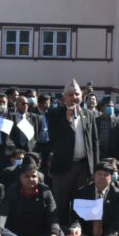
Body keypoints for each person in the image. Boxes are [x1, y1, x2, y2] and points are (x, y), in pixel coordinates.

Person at [47, 79, 100, 225]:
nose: (74, 97)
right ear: (64, 98)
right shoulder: (55, 113)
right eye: (70, 95)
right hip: (64, 167)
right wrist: (67, 120)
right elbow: (53, 137)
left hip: (84, 166)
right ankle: (61, 231)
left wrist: (95, 167)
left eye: (77, 94)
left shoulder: (89, 113)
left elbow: (94, 141)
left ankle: (81, 232)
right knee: (61, 204)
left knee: (83, 203)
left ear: (82, 97)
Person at [0, 156, 61, 236]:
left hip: (39, 234)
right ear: (20, 178)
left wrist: (54, 233)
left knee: (60, 233)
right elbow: (3, 212)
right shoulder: (12, 190)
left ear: (38, 177)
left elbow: (52, 215)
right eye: (27, 176)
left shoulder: (46, 191)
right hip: (17, 234)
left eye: (34, 176)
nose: (31, 179)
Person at [67, 161, 119, 236]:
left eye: (106, 174)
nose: (102, 177)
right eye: (99, 174)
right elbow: (75, 217)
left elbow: (117, 223)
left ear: (111, 178)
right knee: (68, 233)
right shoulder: (82, 193)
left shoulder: (118, 195)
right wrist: (77, 228)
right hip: (86, 235)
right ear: (94, 176)